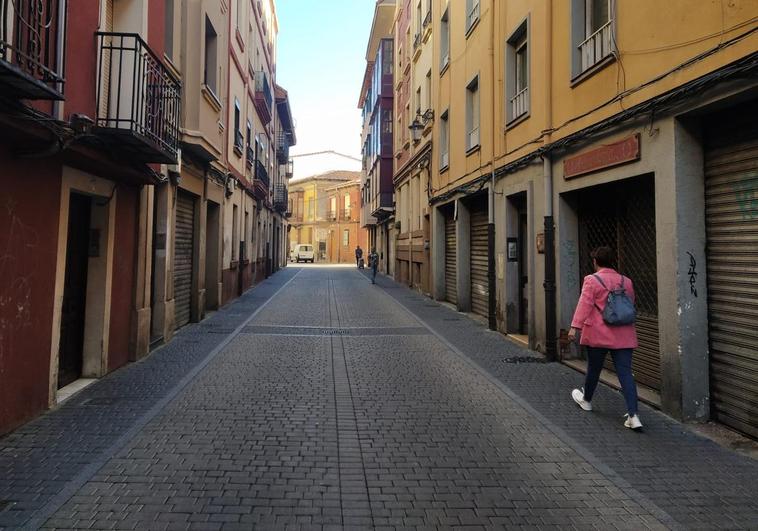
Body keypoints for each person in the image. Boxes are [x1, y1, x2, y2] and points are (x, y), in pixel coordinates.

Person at [568, 246, 642, 430]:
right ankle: (633, 415)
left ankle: (586, 400)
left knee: (594, 369)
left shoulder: (592, 280)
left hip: (598, 334)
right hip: (624, 334)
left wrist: (574, 327)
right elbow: (630, 304)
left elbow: (584, 304)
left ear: (595, 262)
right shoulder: (626, 281)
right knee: (625, 372)